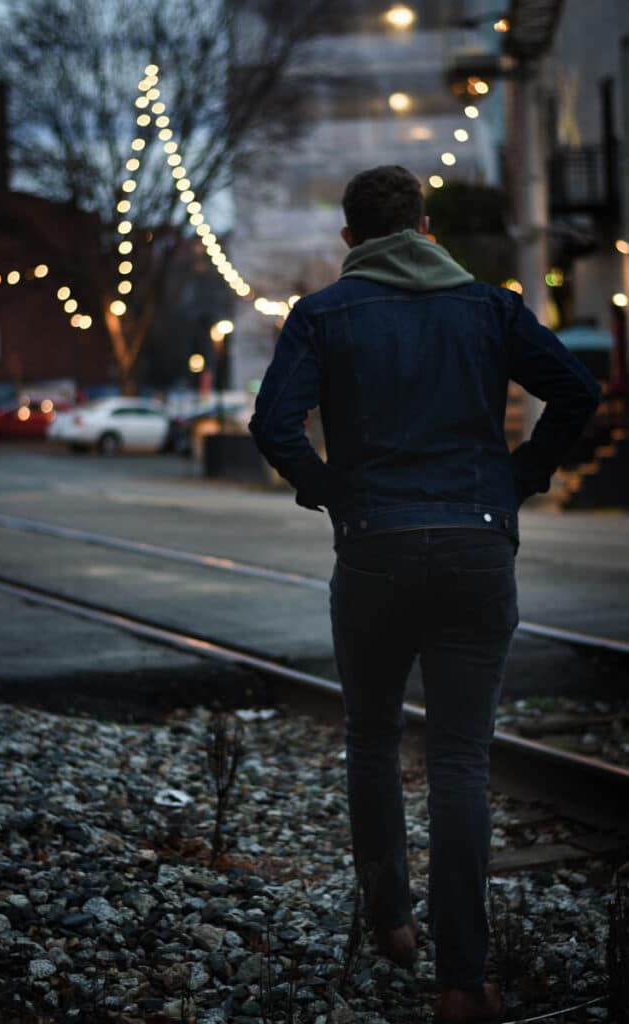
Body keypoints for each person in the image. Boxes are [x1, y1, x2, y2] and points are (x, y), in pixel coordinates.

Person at [248, 165, 600, 1023]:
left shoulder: (324, 314)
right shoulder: (489, 307)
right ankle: (463, 979)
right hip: (477, 545)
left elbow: (271, 423)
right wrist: (521, 474)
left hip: (373, 550)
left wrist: (331, 491)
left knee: (370, 738)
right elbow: (576, 391)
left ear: (349, 239)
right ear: (426, 227)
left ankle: (392, 922)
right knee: (458, 759)